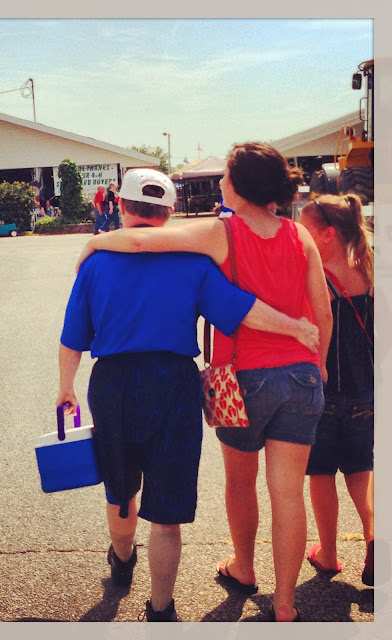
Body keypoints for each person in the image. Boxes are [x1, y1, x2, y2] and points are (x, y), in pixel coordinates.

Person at [75, 144, 333, 622]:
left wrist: (95, 243)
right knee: (288, 494)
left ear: (240, 185)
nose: (219, 183)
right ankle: (285, 604)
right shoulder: (299, 233)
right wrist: (317, 364)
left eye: (225, 176)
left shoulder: (223, 230)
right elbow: (323, 310)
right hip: (301, 374)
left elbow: (142, 242)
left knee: (241, 482)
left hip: (244, 378)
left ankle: (244, 567)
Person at [299, 194, 374, 587]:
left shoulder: (315, 278)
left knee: (322, 473)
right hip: (367, 392)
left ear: (327, 235)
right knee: (361, 470)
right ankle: (375, 537)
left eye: (304, 229)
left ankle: (328, 553)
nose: (298, 235)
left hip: (325, 390)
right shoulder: (370, 271)